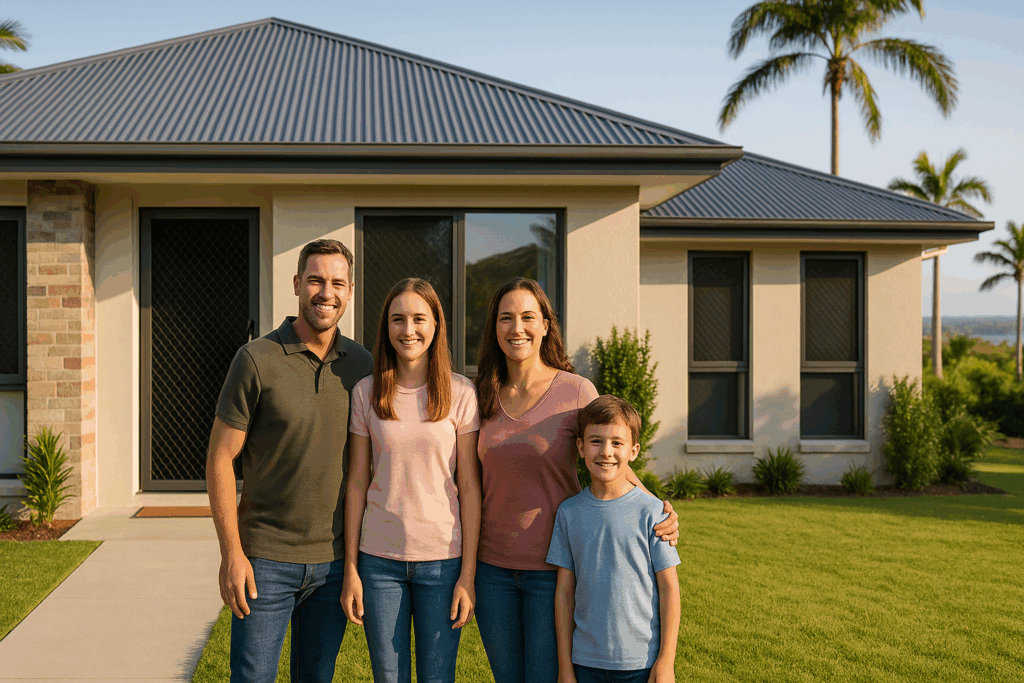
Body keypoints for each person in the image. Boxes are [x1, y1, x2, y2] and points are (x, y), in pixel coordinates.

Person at [473, 278, 680, 683]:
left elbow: (612, 458)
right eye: (506, 318)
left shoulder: (576, 391)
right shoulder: (480, 394)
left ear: (545, 325)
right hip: (491, 569)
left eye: (528, 317)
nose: (517, 328)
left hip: (554, 568)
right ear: (494, 328)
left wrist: (659, 510)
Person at [206, 239, 373, 683]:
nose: (326, 293)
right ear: (297, 284)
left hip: (333, 562)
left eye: (337, 283)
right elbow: (220, 458)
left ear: (350, 291)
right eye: (316, 280)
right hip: (264, 560)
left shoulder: (362, 365)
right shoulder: (256, 359)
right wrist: (231, 554)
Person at [340, 277, 481, 683]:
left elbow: (470, 488)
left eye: (419, 318)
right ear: (386, 326)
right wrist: (351, 568)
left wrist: (467, 575)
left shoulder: (461, 393)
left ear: (436, 325)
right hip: (378, 562)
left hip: (443, 562)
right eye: (398, 319)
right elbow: (356, 483)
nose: (408, 329)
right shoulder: (366, 393)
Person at [548, 395, 681, 683]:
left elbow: (669, 589)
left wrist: (666, 662)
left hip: (641, 663)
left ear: (633, 451)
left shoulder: (653, 512)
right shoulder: (568, 513)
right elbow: (564, 593)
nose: (606, 452)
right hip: (585, 662)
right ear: (581, 447)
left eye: (617, 443)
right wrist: (565, 667)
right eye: (596, 441)